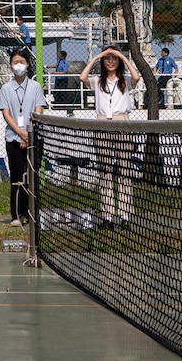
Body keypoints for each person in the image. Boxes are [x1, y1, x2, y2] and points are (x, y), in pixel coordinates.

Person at [78, 46, 141, 229]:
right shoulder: (97, 81)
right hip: (102, 124)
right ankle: (107, 215)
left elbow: (136, 77)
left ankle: (125, 215)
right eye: (108, 59)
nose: (111, 62)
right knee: (105, 171)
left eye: (114, 59)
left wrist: (122, 55)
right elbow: (82, 78)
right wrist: (96, 57)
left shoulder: (125, 80)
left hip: (123, 124)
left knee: (124, 171)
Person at [0, 46, 47, 225]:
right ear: (11, 65)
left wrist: (28, 134)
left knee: (32, 176)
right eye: (15, 62)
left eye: (22, 62)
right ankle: (17, 214)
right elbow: (6, 113)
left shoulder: (35, 87)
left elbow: (37, 111)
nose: (18, 65)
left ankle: (33, 212)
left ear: (27, 65)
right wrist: (19, 134)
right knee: (17, 176)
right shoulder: (6, 88)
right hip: (13, 138)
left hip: (33, 138)